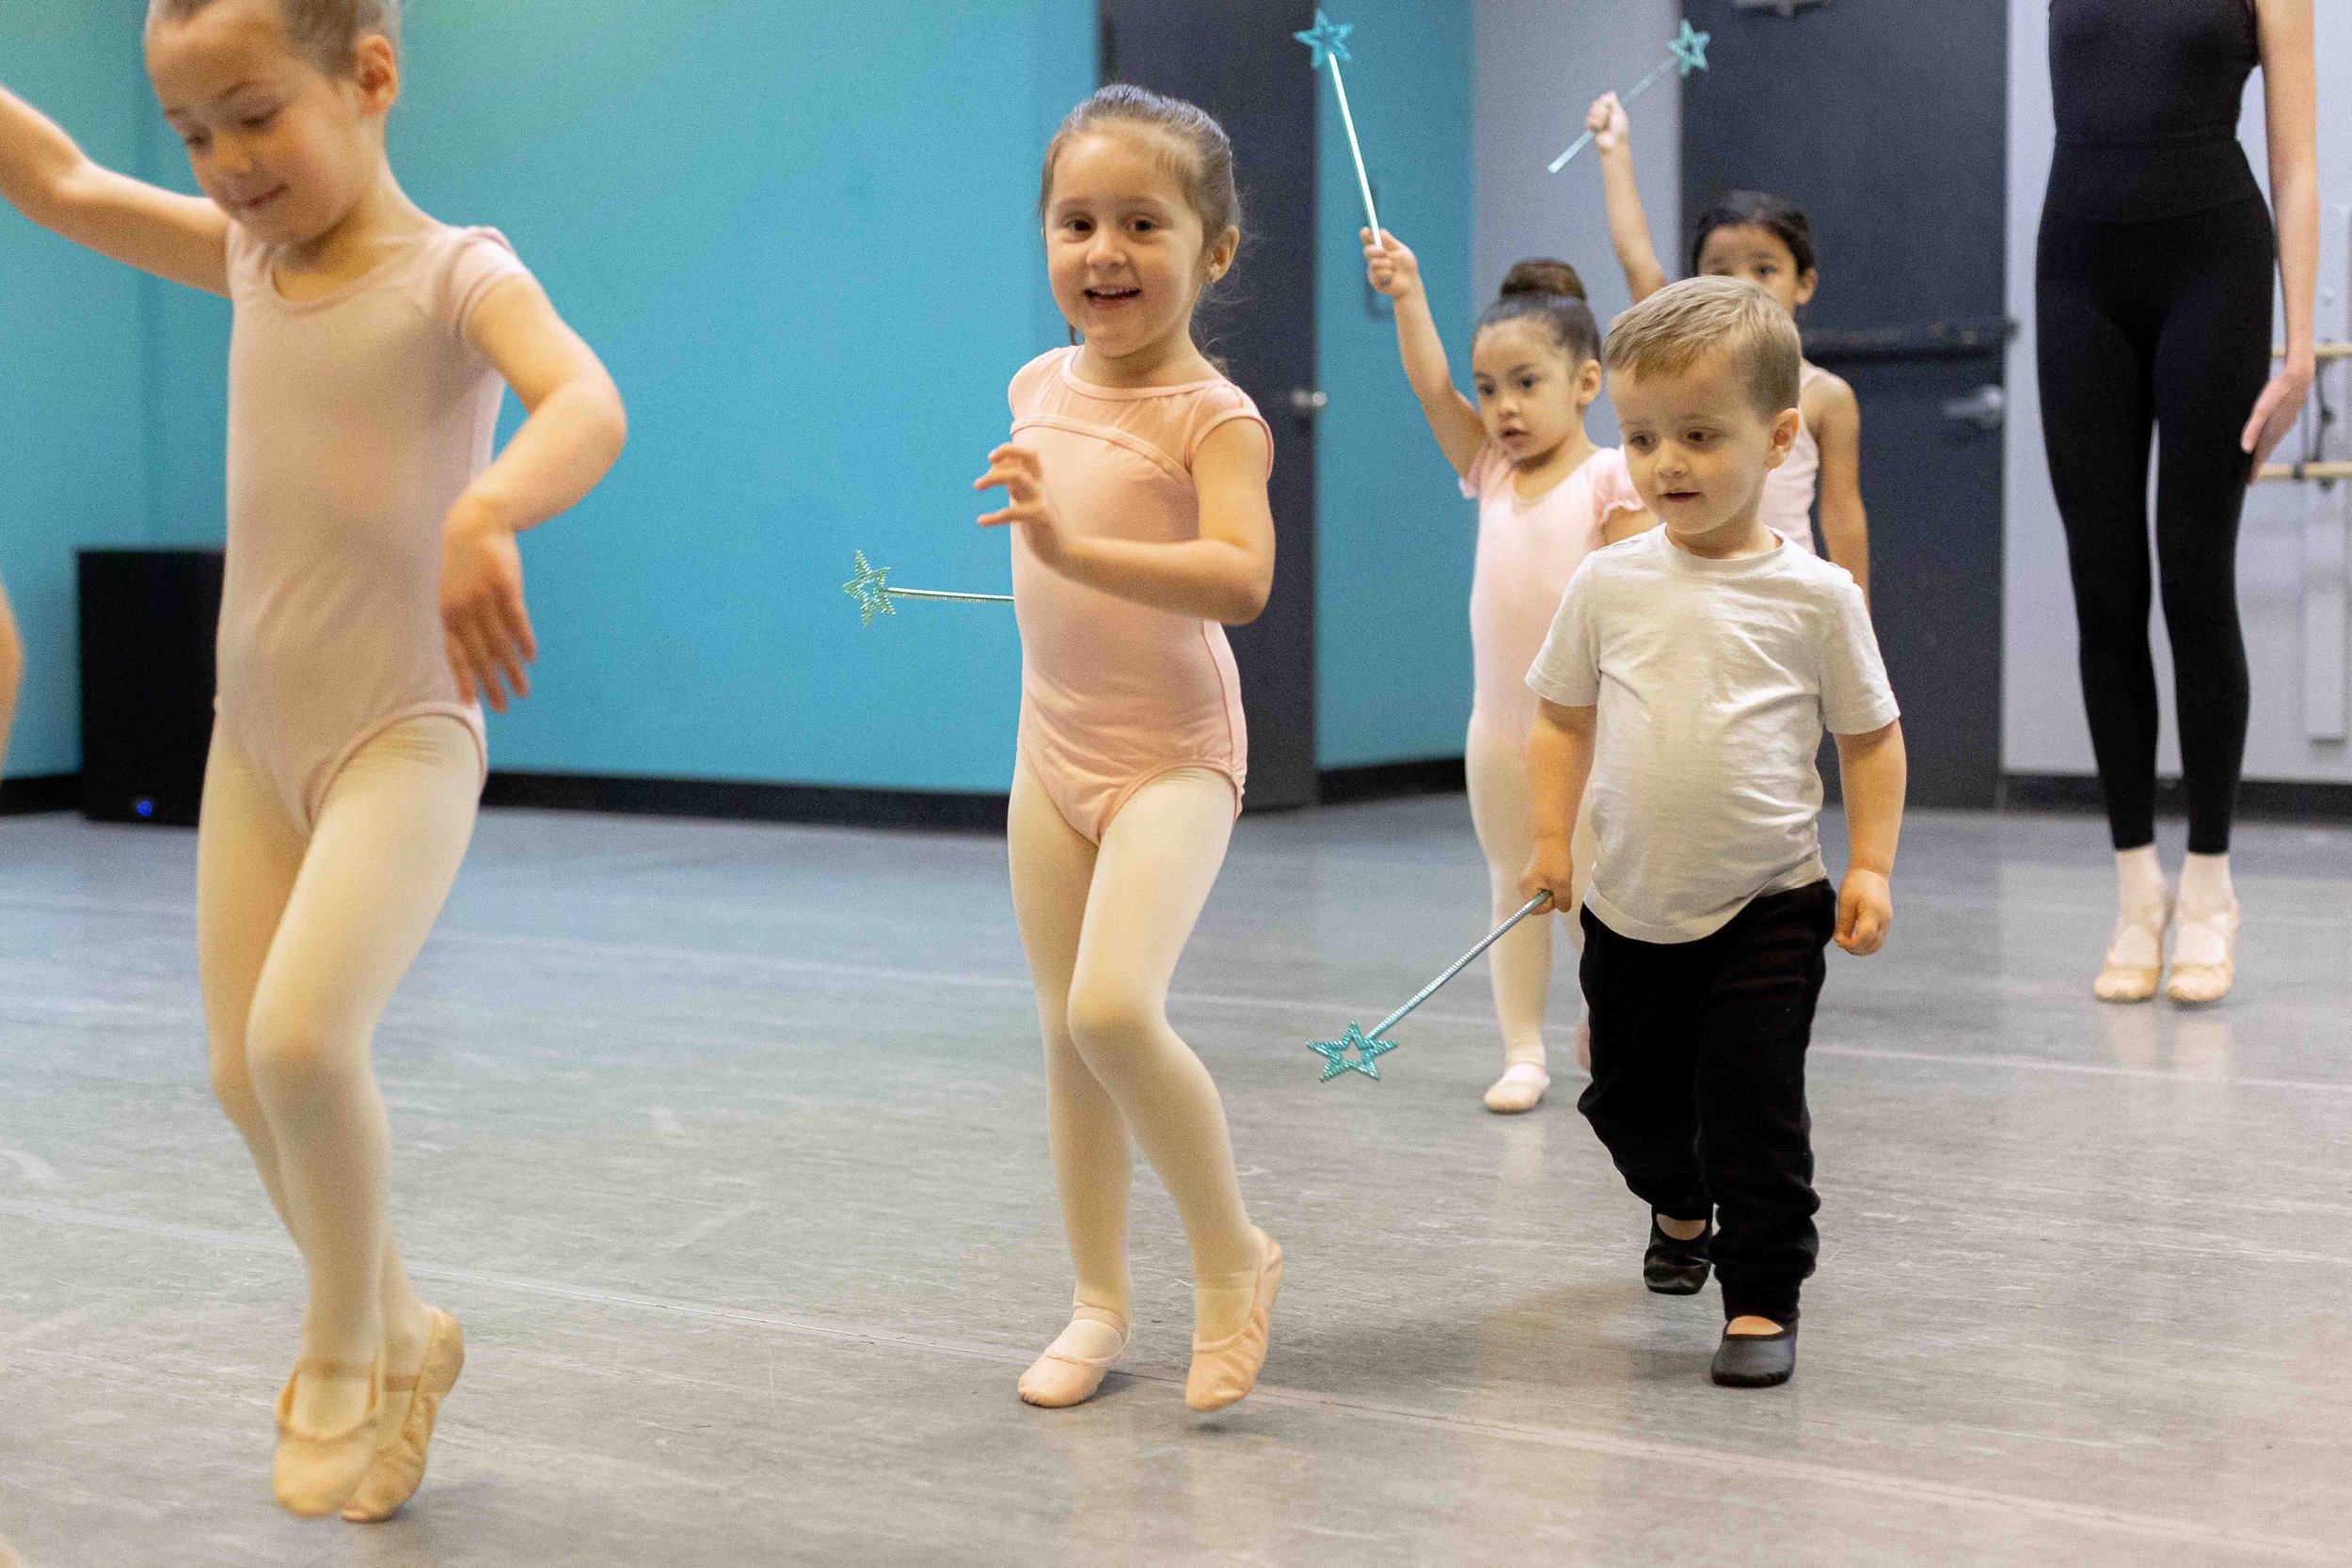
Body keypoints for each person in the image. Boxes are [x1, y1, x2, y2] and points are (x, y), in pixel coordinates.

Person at [0, 0, 627, 1517]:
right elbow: (63, 184)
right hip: (251, 740)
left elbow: (586, 398)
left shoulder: (456, 271)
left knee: (299, 1045)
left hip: (401, 730)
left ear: (372, 77)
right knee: (239, 1069)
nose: (224, 163)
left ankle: (345, 1339)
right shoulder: (243, 257)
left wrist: (487, 516)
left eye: (254, 114)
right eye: (193, 132)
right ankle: (410, 1326)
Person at [1521, 277, 1907, 1388]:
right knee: (1626, 1103)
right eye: (1642, 438)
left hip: (1768, 902)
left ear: (1780, 437)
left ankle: (1759, 1292)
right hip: (1629, 905)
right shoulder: (1607, 582)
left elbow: (1871, 738)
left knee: (1753, 1106)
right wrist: (1553, 843)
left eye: (1698, 435)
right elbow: (1557, 718)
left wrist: (1870, 863)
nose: (1666, 463)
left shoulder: (1817, 595)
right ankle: (1677, 1202)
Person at [977, 85, 1281, 1414]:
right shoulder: (1036, 381)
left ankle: (1233, 1258)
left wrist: (1069, 548)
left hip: (1173, 755)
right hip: (1053, 749)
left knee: (1114, 1008)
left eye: (1143, 223)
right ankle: (1098, 1298)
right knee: (1065, 1035)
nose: (1104, 251)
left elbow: (1241, 577)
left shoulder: (1216, 416)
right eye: (1077, 221)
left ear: (1212, 250)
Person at [2037, 0, 2316, 1006]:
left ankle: (2208, 884)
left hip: (2214, 268)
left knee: (2194, 579)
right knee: (2103, 584)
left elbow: (2296, 166)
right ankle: (2134, 890)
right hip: (2077, 268)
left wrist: (2297, 347)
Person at [1362, 234, 1650, 1111]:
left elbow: (1640, 609)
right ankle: (1523, 1050)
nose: (1503, 408)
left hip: (1591, 734)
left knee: (1598, 898)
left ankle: (1615, 1028)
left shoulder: (1610, 479)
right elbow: (1428, 387)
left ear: (1586, 383)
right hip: (1497, 729)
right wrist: (1409, 292)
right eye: (1490, 389)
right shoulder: (1489, 471)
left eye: (1527, 384)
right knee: (1514, 887)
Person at [1583, 92, 1869, 596]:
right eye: (1720, 270)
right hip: (1690, 581)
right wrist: (1614, 151)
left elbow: (1842, 513)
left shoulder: (1827, 395)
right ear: (1696, 280)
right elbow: (1637, 262)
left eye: (1764, 269)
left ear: (1803, 283)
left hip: (1783, 591)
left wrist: (1857, 615)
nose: (1742, 284)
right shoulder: (1681, 361)